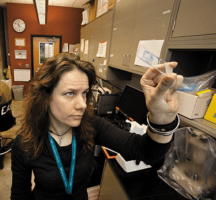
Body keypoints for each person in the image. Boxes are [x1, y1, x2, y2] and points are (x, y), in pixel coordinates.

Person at [11, 53, 184, 199]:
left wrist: (162, 118)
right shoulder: (25, 142)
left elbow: (146, 152)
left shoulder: (92, 126)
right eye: (70, 93)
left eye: (84, 93)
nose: (83, 105)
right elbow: (20, 195)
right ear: (45, 97)